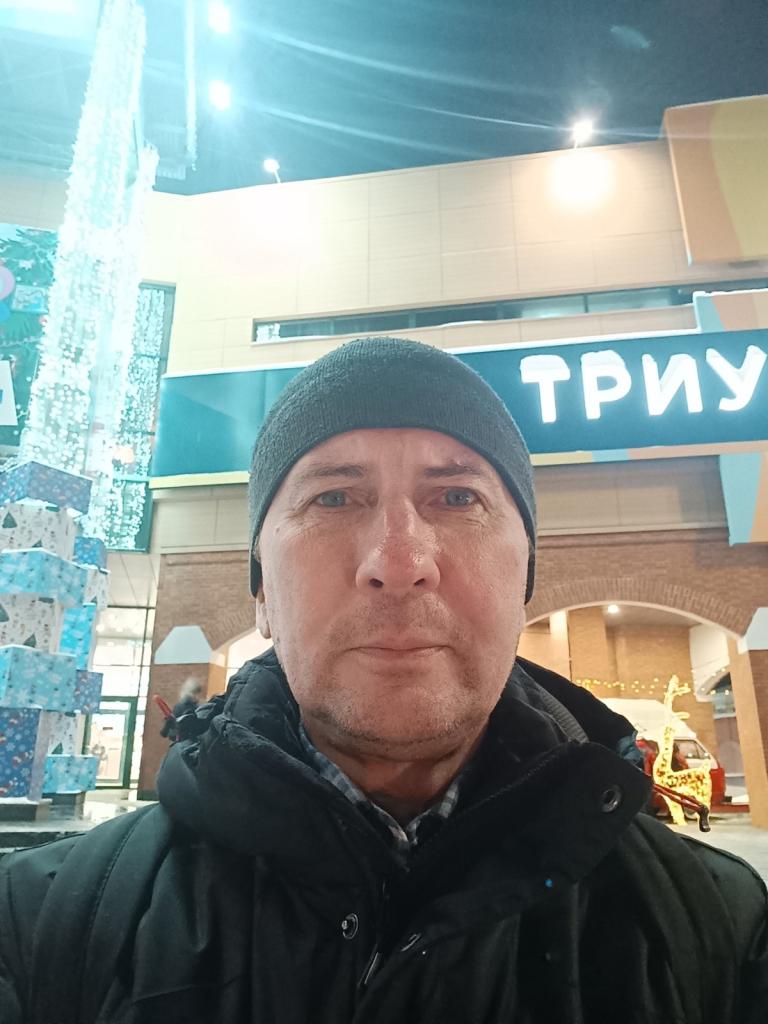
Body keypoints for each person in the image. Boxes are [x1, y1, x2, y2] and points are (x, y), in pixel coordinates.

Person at [1, 337, 766, 1023]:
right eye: (333, 498)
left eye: (458, 497)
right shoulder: (41, 928)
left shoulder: (721, 933)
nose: (399, 564)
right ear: (261, 591)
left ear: (524, 579)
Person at [159, 675, 204, 741]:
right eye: (194, 692)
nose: (196, 696)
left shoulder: (179, 707)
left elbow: (165, 733)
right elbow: (165, 732)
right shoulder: (197, 707)